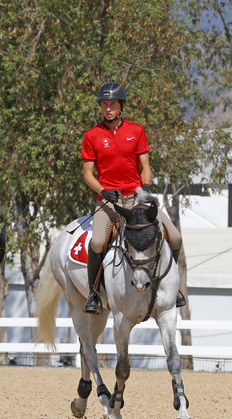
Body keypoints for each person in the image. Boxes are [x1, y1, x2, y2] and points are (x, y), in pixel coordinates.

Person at [80, 81, 186, 314]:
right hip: (110, 200)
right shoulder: (92, 135)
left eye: (113, 104)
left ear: (121, 106)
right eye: (104, 104)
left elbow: (145, 166)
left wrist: (144, 188)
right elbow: (88, 174)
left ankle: (174, 287)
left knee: (176, 237)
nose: (108, 108)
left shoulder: (136, 131)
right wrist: (103, 192)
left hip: (137, 197)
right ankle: (94, 293)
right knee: (97, 243)